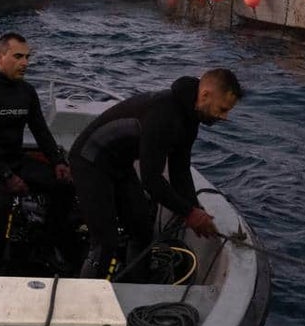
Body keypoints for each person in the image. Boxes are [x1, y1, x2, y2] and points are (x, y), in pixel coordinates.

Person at [69, 68, 242, 280]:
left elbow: (180, 169)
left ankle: (137, 284)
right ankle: (84, 303)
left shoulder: (190, 118)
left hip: (119, 164)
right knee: (105, 241)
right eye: (222, 109)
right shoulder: (164, 113)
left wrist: (194, 207)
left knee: (141, 229)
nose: (224, 117)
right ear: (205, 95)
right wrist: (188, 212)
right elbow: (151, 180)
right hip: (89, 161)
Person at [0, 31, 72, 267]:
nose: (25, 63)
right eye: (18, 56)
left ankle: (46, 246)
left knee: (64, 187)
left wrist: (57, 162)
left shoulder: (26, 92)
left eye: (27, 57)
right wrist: (7, 176)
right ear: (0, 57)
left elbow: (40, 130)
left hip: (13, 158)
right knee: (1, 201)